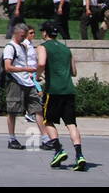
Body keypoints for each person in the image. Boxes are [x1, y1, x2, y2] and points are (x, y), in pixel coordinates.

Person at [37, 20, 86, 170]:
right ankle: (79, 155)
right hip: (68, 90)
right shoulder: (66, 49)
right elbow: (74, 71)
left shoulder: (43, 46)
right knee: (71, 123)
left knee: (48, 121)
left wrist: (38, 75)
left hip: (53, 90)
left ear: (45, 33)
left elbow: (41, 63)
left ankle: (58, 150)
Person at [2, 23, 50, 149]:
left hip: (27, 82)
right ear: (16, 33)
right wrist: (25, 69)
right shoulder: (10, 47)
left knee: (37, 108)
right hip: (15, 82)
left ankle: (45, 139)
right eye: (22, 36)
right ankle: (12, 138)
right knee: (12, 110)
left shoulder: (23, 46)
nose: (24, 38)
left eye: (25, 36)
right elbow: (8, 67)